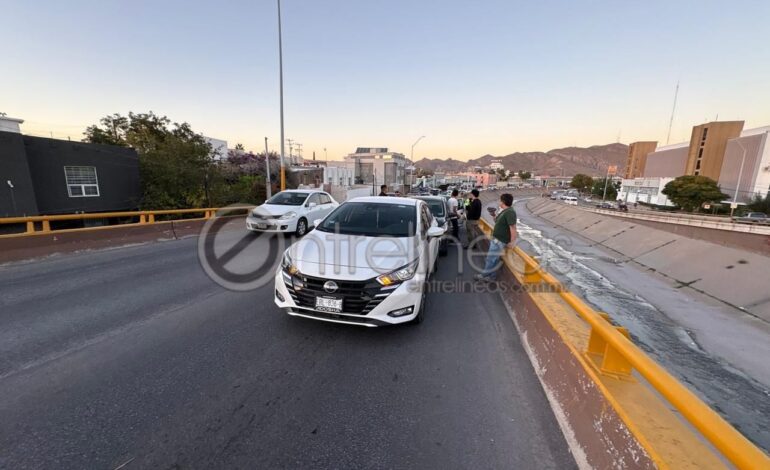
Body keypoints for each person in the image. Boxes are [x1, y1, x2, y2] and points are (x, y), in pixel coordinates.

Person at [474, 193, 517, 282]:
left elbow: (512, 228)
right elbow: (497, 221)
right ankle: (492, 277)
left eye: (500, 200)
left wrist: (512, 242)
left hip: (500, 240)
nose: (499, 202)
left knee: (491, 259)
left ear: (503, 202)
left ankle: (484, 275)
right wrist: (493, 215)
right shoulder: (504, 211)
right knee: (494, 259)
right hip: (497, 239)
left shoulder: (510, 212)